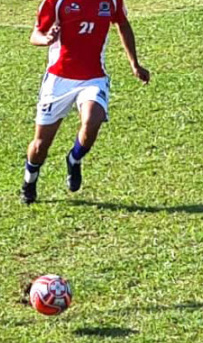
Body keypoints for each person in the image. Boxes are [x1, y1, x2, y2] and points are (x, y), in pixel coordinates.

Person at [21, 0, 150, 204]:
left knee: (92, 121)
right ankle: (29, 182)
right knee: (40, 146)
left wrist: (134, 63)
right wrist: (46, 39)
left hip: (93, 77)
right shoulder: (56, 2)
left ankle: (74, 159)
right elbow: (35, 34)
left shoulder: (111, 2)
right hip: (58, 81)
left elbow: (123, 24)